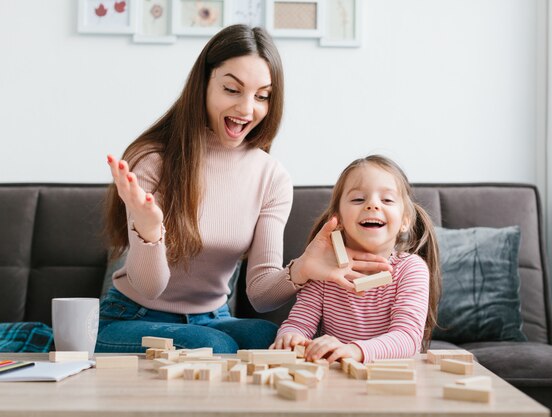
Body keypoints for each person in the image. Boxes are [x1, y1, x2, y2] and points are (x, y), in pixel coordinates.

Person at [97, 25, 391, 353]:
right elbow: (149, 288)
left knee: (271, 339)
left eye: (262, 96)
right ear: (204, 84)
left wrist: (303, 268)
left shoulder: (271, 177)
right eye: (232, 89)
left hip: (212, 318)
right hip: (132, 317)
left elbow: (261, 295)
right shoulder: (154, 161)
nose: (247, 109)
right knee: (212, 345)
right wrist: (149, 232)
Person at [271, 155, 442, 363]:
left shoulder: (411, 269)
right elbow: (299, 323)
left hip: (391, 380)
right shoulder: (324, 271)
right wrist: (290, 337)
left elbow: (407, 339)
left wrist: (354, 350)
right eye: (358, 199)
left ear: (405, 221)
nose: (372, 205)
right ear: (339, 218)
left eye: (387, 200)